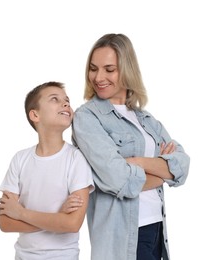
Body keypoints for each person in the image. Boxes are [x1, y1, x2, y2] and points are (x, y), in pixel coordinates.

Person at [71, 34, 190, 260]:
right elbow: (119, 179)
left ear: (127, 70)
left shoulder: (145, 118)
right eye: (93, 68)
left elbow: (183, 165)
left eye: (109, 69)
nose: (98, 77)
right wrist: (164, 172)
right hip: (123, 237)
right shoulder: (87, 118)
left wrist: (138, 163)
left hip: (156, 229)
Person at [0, 81, 94, 260]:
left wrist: (21, 213)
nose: (66, 103)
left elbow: (72, 223)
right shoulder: (20, 159)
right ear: (35, 114)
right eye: (54, 99)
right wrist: (58, 218)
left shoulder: (76, 159)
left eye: (67, 100)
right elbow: (5, 223)